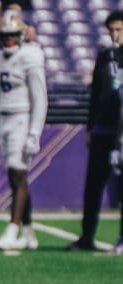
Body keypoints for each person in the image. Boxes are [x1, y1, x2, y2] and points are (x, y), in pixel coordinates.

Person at [0, 10, 47, 250]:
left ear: (21, 35)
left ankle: (12, 229)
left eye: (12, 35)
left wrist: (34, 132)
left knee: (17, 174)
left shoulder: (31, 56)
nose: (7, 40)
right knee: (16, 177)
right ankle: (29, 234)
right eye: (4, 35)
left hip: (23, 117)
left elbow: (39, 98)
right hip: (4, 119)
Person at [67, 10, 123, 253]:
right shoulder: (104, 56)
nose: (115, 33)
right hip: (102, 129)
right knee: (93, 186)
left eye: (120, 28)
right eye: (112, 29)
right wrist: (90, 126)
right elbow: (96, 93)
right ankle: (86, 236)